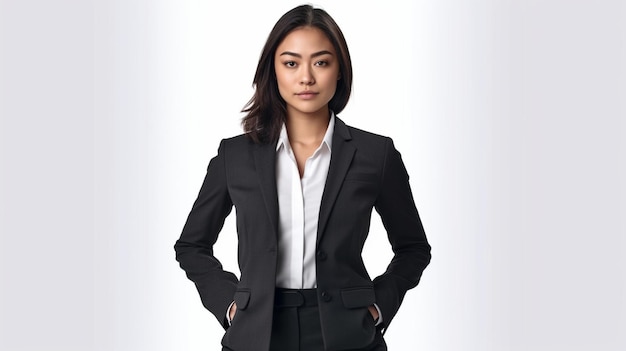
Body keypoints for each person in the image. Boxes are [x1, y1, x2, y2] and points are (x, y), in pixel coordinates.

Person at [174, 4, 431, 351]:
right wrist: (229, 304)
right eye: (291, 63)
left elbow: (413, 248)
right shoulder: (234, 155)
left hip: (348, 334)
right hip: (257, 333)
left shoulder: (376, 154)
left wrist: (378, 307)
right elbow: (191, 245)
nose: (306, 77)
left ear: (339, 70)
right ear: (273, 70)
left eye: (321, 62)